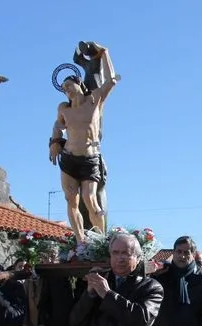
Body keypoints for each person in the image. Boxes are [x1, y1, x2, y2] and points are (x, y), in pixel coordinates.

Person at [49, 43, 120, 244]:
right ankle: (80, 242)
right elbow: (57, 125)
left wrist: (105, 53)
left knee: (91, 200)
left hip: (90, 158)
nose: (66, 91)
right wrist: (54, 141)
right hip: (69, 158)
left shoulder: (95, 100)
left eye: (68, 86)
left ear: (78, 83)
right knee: (71, 200)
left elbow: (111, 80)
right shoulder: (64, 108)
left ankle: (100, 242)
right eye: (63, 89)